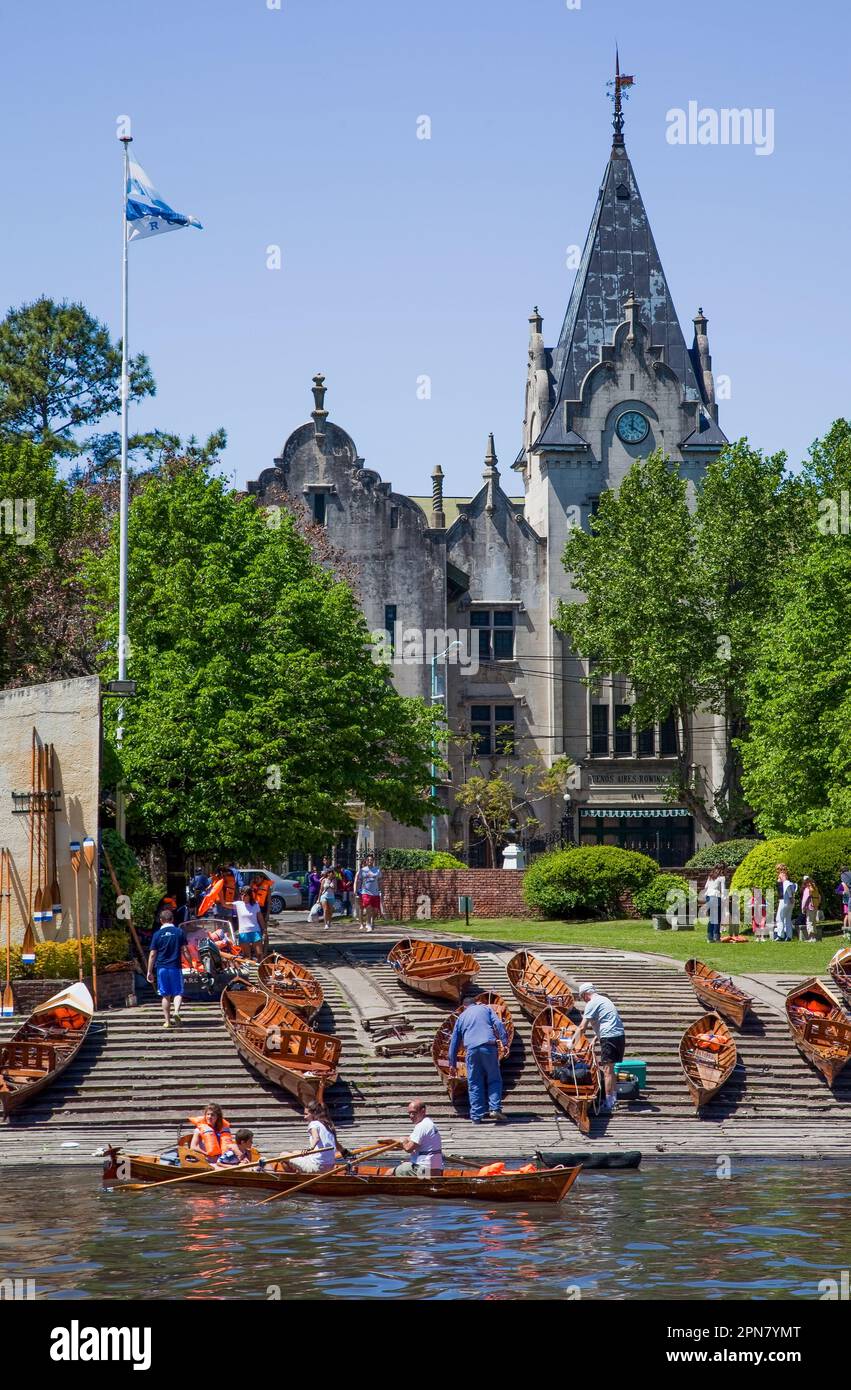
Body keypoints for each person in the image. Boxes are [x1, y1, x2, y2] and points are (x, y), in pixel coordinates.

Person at [448, 998, 509, 1124]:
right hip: (488, 1047)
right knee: (494, 1079)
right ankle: (495, 1109)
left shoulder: (461, 1017)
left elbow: (454, 1042)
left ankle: (476, 1116)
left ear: (464, 1006)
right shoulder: (486, 1008)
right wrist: (504, 1042)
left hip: (471, 1050)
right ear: (475, 1003)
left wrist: (452, 1063)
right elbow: (498, 1024)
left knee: (474, 1083)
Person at [574, 982, 626, 1115]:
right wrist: (596, 1039)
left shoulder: (591, 1003)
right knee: (611, 1069)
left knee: (607, 1070)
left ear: (585, 995)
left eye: (582, 998)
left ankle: (608, 1103)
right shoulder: (604, 999)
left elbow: (582, 1027)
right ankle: (613, 1100)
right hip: (619, 1036)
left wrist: (571, 1045)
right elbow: (608, 1020)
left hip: (609, 1037)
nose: (583, 1001)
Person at [379, 1098, 444, 1177]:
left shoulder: (421, 1126)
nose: (411, 1116)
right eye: (409, 1113)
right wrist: (390, 1141)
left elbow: (408, 1148)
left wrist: (402, 1141)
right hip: (436, 1171)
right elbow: (408, 1141)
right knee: (406, 1164)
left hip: (424, 1171)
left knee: (390, 1172)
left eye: (414, 1113)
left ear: (423, 1111)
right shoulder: (429, 1123)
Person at [146, 909, 188, 1028]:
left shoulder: (157, 934)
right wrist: (191, 963)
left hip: (161, 968)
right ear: (172, 919)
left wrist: (149, 971)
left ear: (161, 921)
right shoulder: (179, 932)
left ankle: (167, 1022)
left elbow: (153, 954)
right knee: (178, 992)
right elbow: (185, 950)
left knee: (165, 995)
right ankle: (176, 1012)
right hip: (175, 967)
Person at [282, 1101, 339, 1174]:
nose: (304, 1117)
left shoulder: (313, 1124)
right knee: (295, 1152)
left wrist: (310, 1148)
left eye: (306, 1114)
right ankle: (299, 1174)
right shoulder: (328, 1125)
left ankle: (295, 1179)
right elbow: (337, 1145)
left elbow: (316, 1138)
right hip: (330, 1166)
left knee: (283, 1155)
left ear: (314, 1114)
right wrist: (346, 1153)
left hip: (318, 1167)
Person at [233, 886, 264, 962]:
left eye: (245, 895)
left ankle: (261, 971)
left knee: (259, 954)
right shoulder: (238, 904)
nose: (242, 897)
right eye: (241, 894)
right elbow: (224, 904)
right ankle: (249, 973)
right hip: (243, 933)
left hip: (255, 931)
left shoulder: (255, 904)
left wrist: (264, 930)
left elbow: (260, 918)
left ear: (250, 895)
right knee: (247, 957)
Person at [354, 852, 383, 933]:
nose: (370, 861)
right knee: (368, 909)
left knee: (376, 911)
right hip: (365, 892)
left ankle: (372, 921)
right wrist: (356, 890)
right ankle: (369, 924)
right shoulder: (362, 870)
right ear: (366, 861)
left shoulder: (377, 870)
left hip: (375, 893)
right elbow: (358, 881)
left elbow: (380, 881)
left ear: (373, 861)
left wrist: (381, 891)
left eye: (371, 860)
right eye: (368, 860)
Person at [774, 864, 797, 941]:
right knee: (788, 918)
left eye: (777, 869)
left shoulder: (782, 875)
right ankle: (789, 936)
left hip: (784, 899)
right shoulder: (787, 876)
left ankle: (780, 935)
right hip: (788, 900)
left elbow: (786, 885)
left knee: (779, 918)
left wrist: (790, 897)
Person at [703, 867, 726, 943]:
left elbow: (706, 887)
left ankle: (709, 937)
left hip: (708, 896)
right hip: (716, 896)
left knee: (712, 918)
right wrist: (724, 900)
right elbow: (723, 890)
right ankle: (716, 937)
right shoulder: (722, 878)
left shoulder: (710, 876)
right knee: (717, 918)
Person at [800, 875, 822, 941]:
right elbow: (819, 897)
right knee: (813, 922)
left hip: (809, 907)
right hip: (815, 906)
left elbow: (804, 900)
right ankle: (814, 937)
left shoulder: (807, 889)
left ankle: (811, 938)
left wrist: (803, 908)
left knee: (809, 922)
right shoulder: (815, 888)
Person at [318, 865, 338, 930]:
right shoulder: (324, 880)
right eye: (330, 873)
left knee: (330, 911)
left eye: (332, 873)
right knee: (325, 910)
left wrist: (331, 887)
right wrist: (318, 898)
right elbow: (321, 890)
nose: (331, 875)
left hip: (331, 896)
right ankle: (326, 924)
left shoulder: (334, 880)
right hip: (324, 896)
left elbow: (335, 890)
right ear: (328, 874)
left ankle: (329, 922)